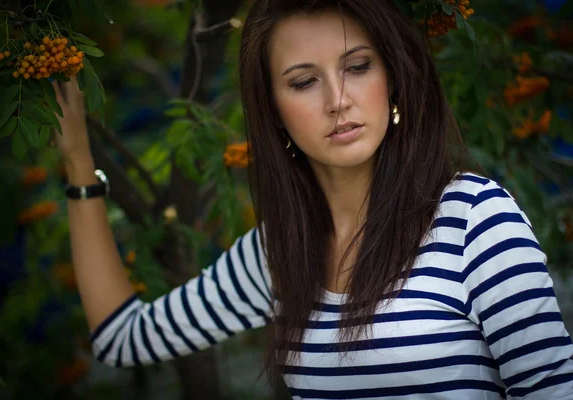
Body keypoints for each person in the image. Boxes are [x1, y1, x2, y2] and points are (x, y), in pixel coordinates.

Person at [52, 0, 573, 398]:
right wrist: (78, 161)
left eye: (358, 66)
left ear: (392, 78)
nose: (337, 99)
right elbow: (123, 338)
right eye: (304, 81)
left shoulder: (474, 220)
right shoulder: (279, 252)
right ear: (273, 109)